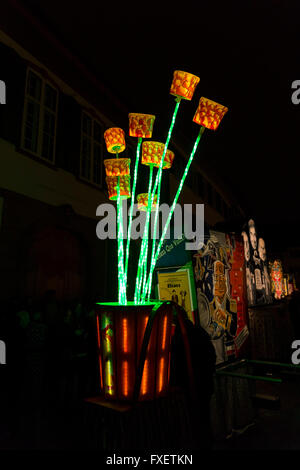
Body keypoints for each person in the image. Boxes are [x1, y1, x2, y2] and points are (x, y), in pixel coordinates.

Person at [170, 306, 216, 449]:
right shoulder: (198, 331)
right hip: (204, 384)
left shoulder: (178, 337)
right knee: (203, 420)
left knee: (191, 423)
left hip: (189, 387)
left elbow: (176, 365)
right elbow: (211, 355)